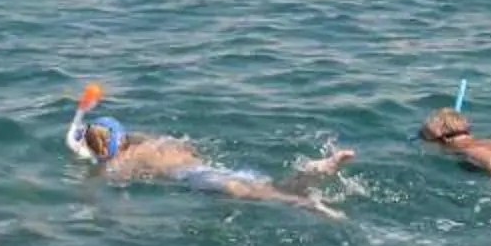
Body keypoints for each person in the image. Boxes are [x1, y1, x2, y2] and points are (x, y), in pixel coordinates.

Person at [67, 86, 355, 219]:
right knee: (267, 186)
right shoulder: (147, 141)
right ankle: (314, 173)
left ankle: (307, 204)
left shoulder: (122, 162)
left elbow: (112, 181)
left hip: (195, 178)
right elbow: (187, 147)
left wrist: (92, 176)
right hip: (206, 167)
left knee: (255, 192)